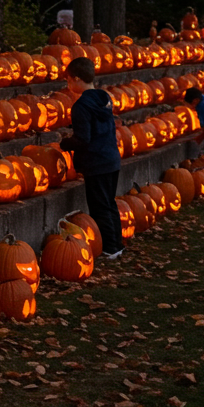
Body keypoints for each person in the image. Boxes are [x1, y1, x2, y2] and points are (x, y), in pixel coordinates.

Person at [58, 58, 125, 259]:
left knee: (99, 206)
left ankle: (110, 248)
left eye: (69, 80)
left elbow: (83, 139)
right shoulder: (104, 98)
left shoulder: (81, 107)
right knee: (109, 203)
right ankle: (117, 244)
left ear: (77, 79)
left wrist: (65, 143)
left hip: (97, 163)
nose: (68, 85)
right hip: (112, 159)